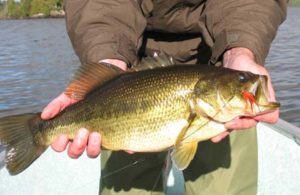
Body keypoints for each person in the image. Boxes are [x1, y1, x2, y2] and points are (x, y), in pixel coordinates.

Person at [41, 1, 287, 194]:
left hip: (214, 54)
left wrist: (239, 48)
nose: (246, 85)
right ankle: (38, 132)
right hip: (128, 65)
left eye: (241, 81)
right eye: (241, 81)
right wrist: (107, 56)